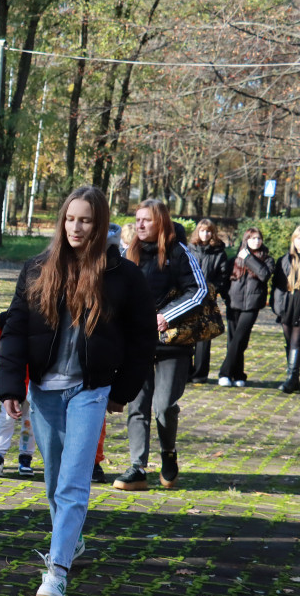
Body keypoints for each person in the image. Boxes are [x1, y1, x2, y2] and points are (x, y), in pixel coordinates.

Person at [0, 186, 154, 596]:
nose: (76, 227)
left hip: (90, 389)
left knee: (72, 483)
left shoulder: (124, 276)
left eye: (85, 220)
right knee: (54, 481)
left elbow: (142, 340)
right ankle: (71, 540)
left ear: (99, 224)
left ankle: (57, 571)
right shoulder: (37, 268)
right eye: (70, 218)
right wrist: (10, 386)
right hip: (44, 390)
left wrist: (122, 391)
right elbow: (14, 328)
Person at [114, 199, 206, 491]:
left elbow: (199, 290)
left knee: (164, 406)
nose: (139, 225)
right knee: (137, 405)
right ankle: (137, 467)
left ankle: (168, 452)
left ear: (161, 222)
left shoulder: (179, 252)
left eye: (147, 220)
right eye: (137, 219)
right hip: (137, 344)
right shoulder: (128, 253)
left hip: (172, 345)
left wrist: (167, 315)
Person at [216, 227, 274, 388]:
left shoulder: (267, 259)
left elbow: (264, 275)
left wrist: (248, 258)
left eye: (259, 238)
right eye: (253, 238)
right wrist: (227, 297)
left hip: (252, 305)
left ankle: (224, 373)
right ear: (246, 240)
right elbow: (225, 281)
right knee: (233, 340)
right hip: (233, 303)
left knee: (240, 338)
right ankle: (238, 374)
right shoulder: (234, 260)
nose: (256, 241)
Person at [0, 311, 38, 477]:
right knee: (6, 419)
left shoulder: (45, 318)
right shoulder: (3, 320)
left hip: (36, 381)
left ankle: (26, 458)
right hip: (12, 381)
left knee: (30, 421)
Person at [187, 219, 230, 383]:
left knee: (204, 336)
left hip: (208, 298)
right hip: (189, 297)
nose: (205, 234)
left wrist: (212, 288)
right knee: (187, 334)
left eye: (208, 231)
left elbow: (223, 276)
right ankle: (186, 371)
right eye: (202, 231)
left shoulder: (219, 252)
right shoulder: (189, 249)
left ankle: (200, 373)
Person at [272, 225, 300, 394]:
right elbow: (277, 284)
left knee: (296, 342)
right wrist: (277, 306)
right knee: (290, 342)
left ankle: (291, 378)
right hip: (287, 305)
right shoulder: (285, 259)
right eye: (298, 239)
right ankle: (294, 378)